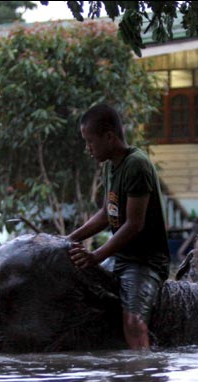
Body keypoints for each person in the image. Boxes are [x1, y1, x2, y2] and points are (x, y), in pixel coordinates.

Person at [67, 104, 170, 349]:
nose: (87, 148)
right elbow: (106, 213)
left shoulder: (136, 165)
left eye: (90, 141)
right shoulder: (110, 166)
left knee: (133, 324)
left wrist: (96, 256)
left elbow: (134, 225)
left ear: (109, 137)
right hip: (121, 258)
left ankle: (143, 374)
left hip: (145, 260)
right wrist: (69, 238)